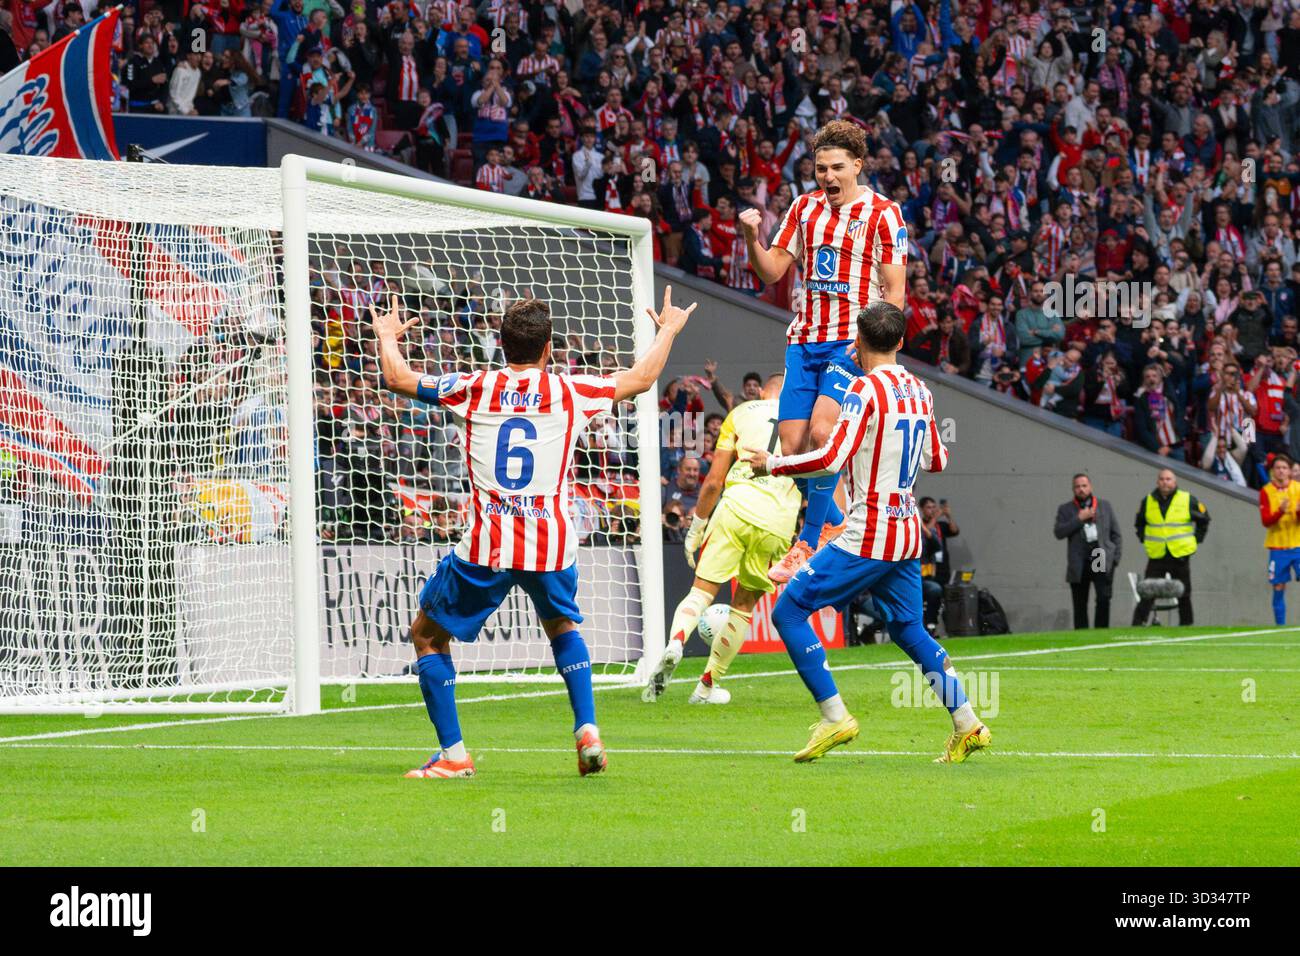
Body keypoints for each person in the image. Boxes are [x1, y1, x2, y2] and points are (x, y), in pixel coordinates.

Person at [372, 286, 697, 779]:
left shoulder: (474, 386)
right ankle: (586, 729)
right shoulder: (572, 391)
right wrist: (668, 329)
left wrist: (386, 336)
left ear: (501, 346)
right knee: (563, 629)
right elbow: (642, 377)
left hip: (489, 544)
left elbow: (395, 377)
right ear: (549, 349)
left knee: (427, 637)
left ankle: (454, 755)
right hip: (552, 543)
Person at [746, 301, 991, 765]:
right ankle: (968, 723)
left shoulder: (862, 391)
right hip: (907, 528)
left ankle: (835, 715)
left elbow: (830, 459)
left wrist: (771, 462)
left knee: (789, 611)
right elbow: (938, 460)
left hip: (870, 529)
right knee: (907, 627)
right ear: (901, 342)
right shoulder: (921, 391)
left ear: (856, 342)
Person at [737, 120, 907, 583]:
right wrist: (752, 239)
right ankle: (833, 520)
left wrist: (874, 345)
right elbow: (772, 272)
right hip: (804, 341)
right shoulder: (803, 208)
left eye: (836, 168)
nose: (827, 177)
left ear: (857, 165)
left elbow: (895, 293)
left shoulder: (884, 214)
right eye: (820, 168)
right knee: (791, 451)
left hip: (851, 342)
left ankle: (807, 542)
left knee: (822, 434)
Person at [643, 373, 801, 705]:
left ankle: (676, 643)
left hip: (736, 508)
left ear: (762, 390)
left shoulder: (740, 414)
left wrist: (696, 528)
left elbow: (713, 481)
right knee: (743, 607)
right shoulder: (800, 420)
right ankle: (705, 688)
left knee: (700, 592)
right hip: (778, 520)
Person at [1132, 468, 1211, 626]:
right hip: (1157, 554)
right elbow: (1139, 523)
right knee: (1148, 590)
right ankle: (1138, 623)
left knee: (1184, 592)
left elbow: (1204, 518)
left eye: (1168, 479)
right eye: (1162, 479)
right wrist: (1144, 539)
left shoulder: (1187, 499)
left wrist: (1196, 540)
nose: (1165, 482)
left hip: (1179, 554)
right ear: (1157, 482)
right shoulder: (1147, 501)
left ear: (1175, 482)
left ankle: (1186, 625)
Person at [1054, 473, 1123, 629]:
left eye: (1084, 486)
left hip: (1099, 555)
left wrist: (1115, 559)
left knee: (1103, 598)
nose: (1081, 489)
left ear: (1090, 487)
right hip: (1080, 559)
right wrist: (1079, 519)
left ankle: (1101, 632)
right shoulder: (1066, 509)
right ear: (1073, 489)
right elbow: (1059, 532)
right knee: (1080, 602)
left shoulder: (1104, 505)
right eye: (1077, 486)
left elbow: (1116, 534)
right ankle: (1081, 634)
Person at [1259, 453, 1300, 625]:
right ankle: (1280, 627)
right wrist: (1281, 511)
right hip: (1277, 547)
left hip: (1298, 545)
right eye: (1278, 468)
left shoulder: (1298, 488)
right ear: (1273, 471)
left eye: (1284, 468)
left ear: (1290, 471)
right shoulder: (1266, 491)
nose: (1281, 471)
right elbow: (1266, 521)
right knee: (1278, 587)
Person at [918, 497, 959, 634]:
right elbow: (925, 535)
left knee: (939, 594)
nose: (933, 510)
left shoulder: (940, 525)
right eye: (929, 507)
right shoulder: (921, 525)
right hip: (922, 575)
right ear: (922, 509)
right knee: (934, 590)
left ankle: (933, 625)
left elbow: (954, 530)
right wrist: (935, 517)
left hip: (940, 569)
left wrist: (948, 516)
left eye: (934, 507)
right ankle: (928, 625)